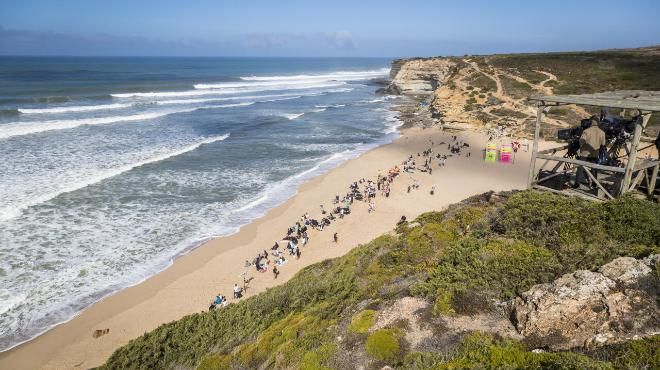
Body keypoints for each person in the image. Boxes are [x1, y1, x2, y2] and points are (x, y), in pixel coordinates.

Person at [575, 116, 606, 188]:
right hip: (595, 154)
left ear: (591, 122)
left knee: (580, 168)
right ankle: (594, 184)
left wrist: (580, 144)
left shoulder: (586, 131)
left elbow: (582, 140)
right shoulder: (602, 132)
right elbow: (603, 144)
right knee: (594, 170)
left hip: (584, 154)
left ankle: (577, 184)